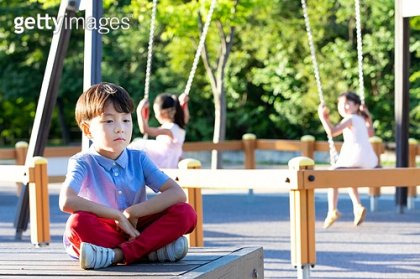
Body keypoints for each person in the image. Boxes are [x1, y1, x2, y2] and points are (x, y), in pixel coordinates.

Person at [59, 82, 197, 270]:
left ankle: (117, 255)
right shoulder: (83, 162)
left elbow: (177, 193)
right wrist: (116, 215)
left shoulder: (138, 158)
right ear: (87, 129)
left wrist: (132, 212)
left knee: (185, 213)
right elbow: (66, 201)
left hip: (136, 227)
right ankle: (150, 251)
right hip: (105, 227)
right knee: (77, 224)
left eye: (125, 120)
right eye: (109, 121)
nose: (120, 128)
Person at [318, 91, 378, 229]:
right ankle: (357, 206)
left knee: (332, 174)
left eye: (347, 104)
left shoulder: (350, 118)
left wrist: (323, 118)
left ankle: (332, 210)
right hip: (367, 159)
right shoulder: (362, 119)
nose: (343, 106)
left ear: (356, 106)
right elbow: (371, 133)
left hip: (355, 157)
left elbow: (332, 132)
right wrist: (368, 117)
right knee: (349, 177)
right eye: (340, 104)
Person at [129, 93, 189, 168]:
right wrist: (184, 103)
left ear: (164, 113)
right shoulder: (179, 124)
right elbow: (185, 115)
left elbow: (145, 130)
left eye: (156, 112)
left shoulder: (169, 129)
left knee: (137, 146)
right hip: (173, 159)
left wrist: (139, 110)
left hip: (165, 161)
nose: (155, 115)